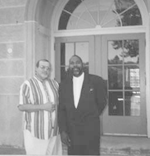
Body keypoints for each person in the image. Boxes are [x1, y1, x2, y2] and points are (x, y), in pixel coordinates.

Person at [58, 55, 107, 155]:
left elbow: (102, 102)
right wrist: (63, 130)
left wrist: (92, 115)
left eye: (77, 62)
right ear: (69, 66)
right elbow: (62, 109)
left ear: (83, 65)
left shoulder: (96, 81)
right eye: (72, 63)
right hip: (72, 130)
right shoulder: (63, 84)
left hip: (91, 129)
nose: (75, 65)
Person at [18, 59, 61, 155]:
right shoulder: (27, 84)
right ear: (36, 69)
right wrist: (43, 107)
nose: (46, 70)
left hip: (53, 132)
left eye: (48, 68)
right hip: (35, 132)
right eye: (42, 67)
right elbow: (21, 106)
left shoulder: (55, 84)